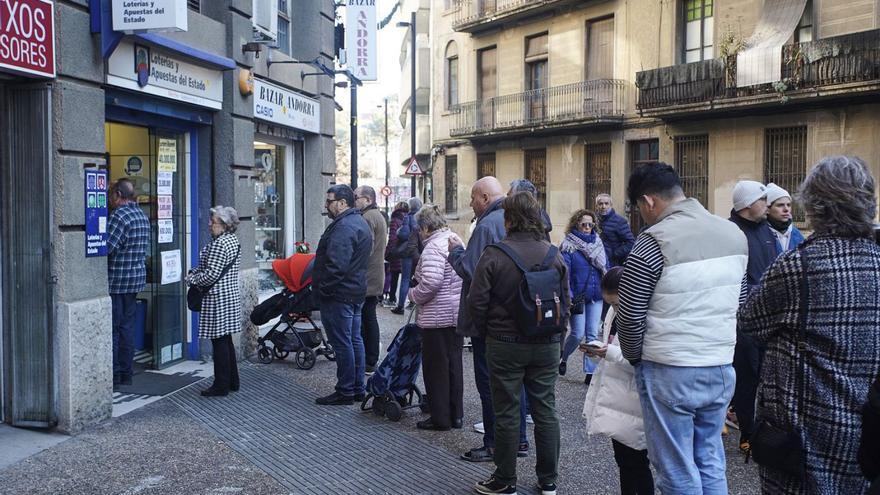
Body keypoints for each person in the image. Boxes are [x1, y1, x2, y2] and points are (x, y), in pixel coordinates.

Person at [738, 156, 880, 494]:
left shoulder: (797, 266)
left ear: (814, 204)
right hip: (869, 427)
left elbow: (749, 321)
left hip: (804, 432)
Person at [616, 162, 748, 494]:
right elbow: (741, 303)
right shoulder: (733, 233)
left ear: (648, 202)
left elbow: (630, 315)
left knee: (675, 467)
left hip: (669, 366)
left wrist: (635, 358)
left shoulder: (652, 240)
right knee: (709, 457)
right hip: (718, 364)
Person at [468, 191, 567, 495]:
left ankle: (505, 479)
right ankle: (548, 480)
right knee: (545, 410)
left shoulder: (495, 254)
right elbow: (566, 299)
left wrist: (485, 333)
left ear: (508, 219)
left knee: (508, 411)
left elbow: (477, 302)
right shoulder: (554, 254)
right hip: (547, 342)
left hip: (505, 343)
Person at [449, 176, 530, 463]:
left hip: (489, 321)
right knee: (515, 384)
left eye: (472, 198)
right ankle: (519, 440)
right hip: (519, 317)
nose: (470, 204)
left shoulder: (486, 225)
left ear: (484, 197)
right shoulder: (520, 220)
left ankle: (494, 444)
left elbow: (470, 269)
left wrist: (455, 252)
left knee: (490, 384)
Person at [582, 267, 654, 495]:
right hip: (616, 393)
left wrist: (609, 352)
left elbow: (645, 360)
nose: (613, 308)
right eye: (609, 304)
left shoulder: (646, 316)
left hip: (633, 397)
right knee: (623, 460)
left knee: (637, 462)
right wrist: (600, 350)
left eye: (616, 303)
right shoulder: (615, 313)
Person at [729, 179, 777, 455]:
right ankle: (747, 433)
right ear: (748, 205)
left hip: (770, 319)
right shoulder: (731, 232)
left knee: (766, 378)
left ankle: (766, 431)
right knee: (746, 379)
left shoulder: (767, 231)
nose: (767, 205)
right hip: (743, 321)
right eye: (763, 200)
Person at [313, 184, 372, 405]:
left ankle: (346, 390)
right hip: (353, 292)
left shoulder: (345, 226)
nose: (326, 205)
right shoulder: (357, 222)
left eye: (329, 201)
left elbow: (336, 265)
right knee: (353, 340)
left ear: (342, 203)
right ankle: (356, 388)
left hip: (340, 295)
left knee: (343, 343)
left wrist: (324, 290)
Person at [407, 205, 464, 431]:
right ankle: (456, 414)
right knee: (454, 366)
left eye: (420, 229)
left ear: (427, 227)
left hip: (436, 316)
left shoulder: (432, 248)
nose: (419, 234)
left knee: (436, 368)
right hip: (454, 314)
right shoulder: (454, 239)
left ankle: (440, 417)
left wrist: (413, 294)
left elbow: (431, 282)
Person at [185, 206, 242, 397]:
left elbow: (211, 275)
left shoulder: (220, 244)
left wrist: (191, 279)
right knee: (225, 340)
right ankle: (232, 381)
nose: (209, 224)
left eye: (213, 221)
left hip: (217, 298)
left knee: (219, 342)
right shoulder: (232, 240)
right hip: (228, 295)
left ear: (224, 225)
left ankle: (221, 385)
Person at [107, 179, 150, 389]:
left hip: (117, 282)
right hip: (135, 281)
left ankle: (115, 375)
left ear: (117, 195)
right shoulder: (141, 216)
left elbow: (107, 247)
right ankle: (127, 373)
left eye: (110, 195)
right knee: (127, 329)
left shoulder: (119, 217)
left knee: (114, 330)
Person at [558, 209, 607, 384]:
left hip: (596, 295)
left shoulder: (598, 243)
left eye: (590, 224)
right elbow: (565, 273)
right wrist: (568, 295)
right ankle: (563, 358)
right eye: (583, 224)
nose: (587, 227)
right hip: (577, 296)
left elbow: (605, 267)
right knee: (577, 334)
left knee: (593, 335)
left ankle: (590, 372)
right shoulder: (568, 245)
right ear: (576, 224)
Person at [355, 186, 387, 374]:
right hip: (375, 275)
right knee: (369, 316)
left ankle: (369, 360)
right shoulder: (378, 216)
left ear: (367, 199)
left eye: (356, 197)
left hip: (368, 277)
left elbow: (365, 249)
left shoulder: (367, 218)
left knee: (366, 319)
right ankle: (371, 359)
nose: (354, 201)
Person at [391, 197, 423, 315]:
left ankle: (400, 306)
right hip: (420, 252)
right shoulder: (423, 218)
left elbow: (403, 234)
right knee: (420, 278)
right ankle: (416, 303)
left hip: (408, 253)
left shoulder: (408, 218)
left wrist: (400, 230)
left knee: (405, 279)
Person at [594, 193, 635, 267]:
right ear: (596, 206)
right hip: (596, 261)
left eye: (606, 204)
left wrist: (614, 254)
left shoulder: (619, 221)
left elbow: (630, 242)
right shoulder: (593, 220)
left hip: (612, 264)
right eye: (600, 204)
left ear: (611, 205)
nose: (603, 206)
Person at [765, 183, 805, 253]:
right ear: (768, 209)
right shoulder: (761, 234)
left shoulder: (797, 235)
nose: (786, 209)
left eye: (788, 205)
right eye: (780, 205)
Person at [383, 201, 409, 308]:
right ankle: (408, 301)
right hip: (407, 252)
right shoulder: (409, 219)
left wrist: (388, 251)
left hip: (397, 251)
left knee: (394, 276)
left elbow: (392, 237)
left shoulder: (395, 220)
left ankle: (392, 298)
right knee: (406, 278)